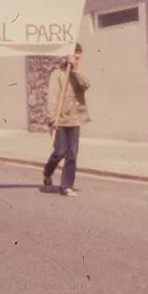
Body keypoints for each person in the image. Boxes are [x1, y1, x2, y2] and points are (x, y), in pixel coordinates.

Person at [43, 43, 89, 196]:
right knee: (60, 151)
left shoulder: (76, 73)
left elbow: (86, 85)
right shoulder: (57, 74)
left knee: (72, 153)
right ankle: (47, 172)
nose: (77, 58)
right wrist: (52, 119)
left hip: (74, 119)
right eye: (75, 55)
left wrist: (74, 70)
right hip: (59, 120)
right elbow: (52, 98)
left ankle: (66, 186)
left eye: (79, 56)